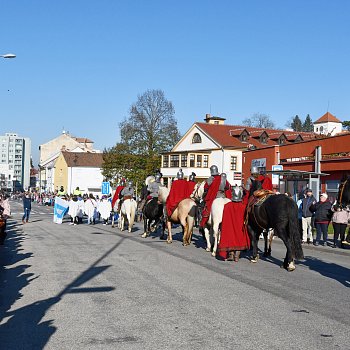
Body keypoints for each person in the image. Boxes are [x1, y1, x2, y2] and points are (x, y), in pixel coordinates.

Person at [218, 185, 250, 261]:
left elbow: (225, 220)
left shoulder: (227, 206)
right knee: (239, 237)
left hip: (230, 227)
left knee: (230, 236)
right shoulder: (243, 207)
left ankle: (231, 255)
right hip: (240, 227)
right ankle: (236, 256)